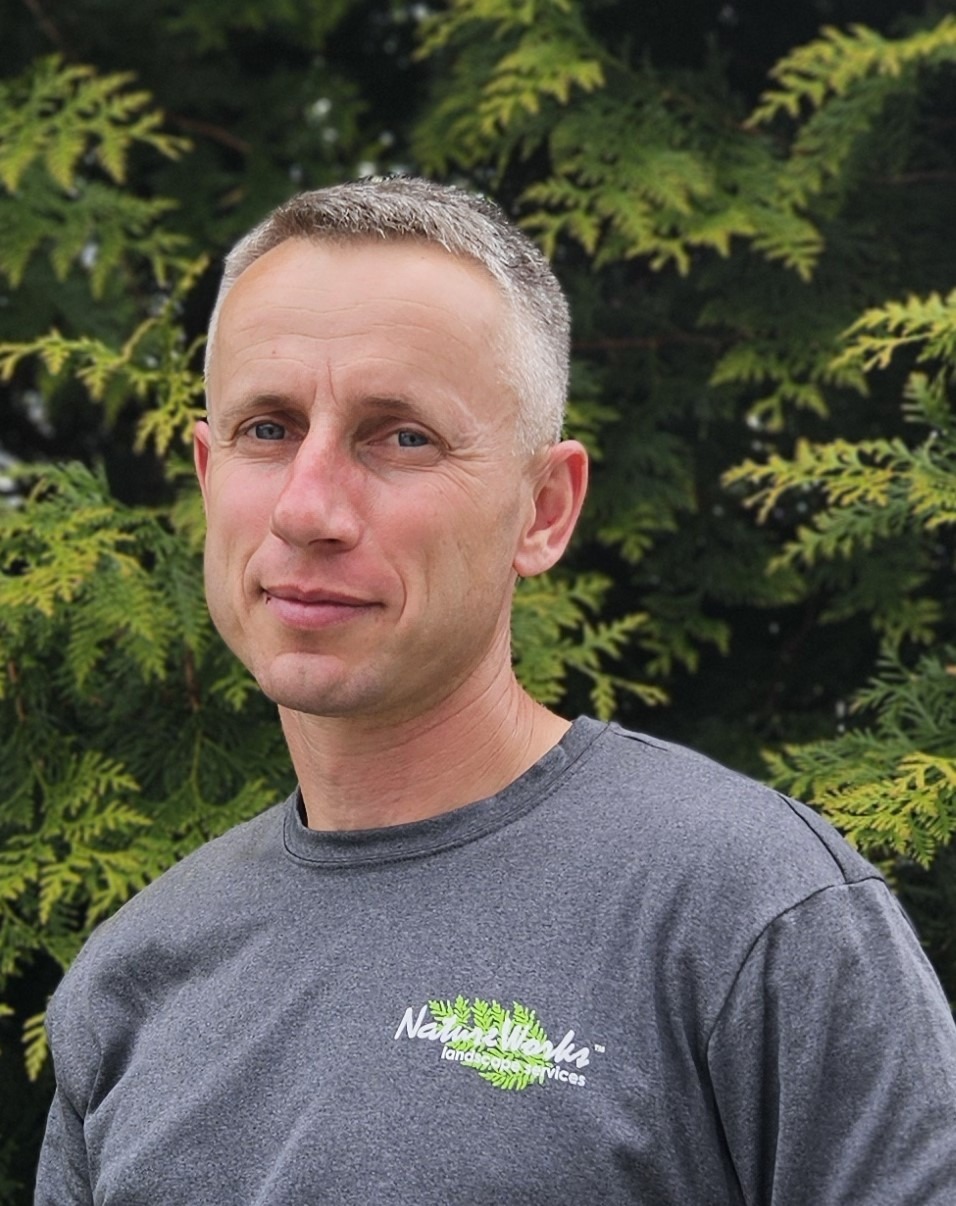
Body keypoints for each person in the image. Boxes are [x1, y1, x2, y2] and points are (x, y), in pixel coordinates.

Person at [36, 176, 956, 1205]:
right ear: (207, 472)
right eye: (267, 429)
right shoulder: (131, 984)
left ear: (543, 509)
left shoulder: (747, 914)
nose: (307, 507)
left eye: (402, 436)